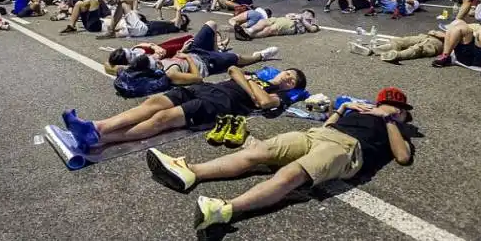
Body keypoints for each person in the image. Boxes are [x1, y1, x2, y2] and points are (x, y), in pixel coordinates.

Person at [145, 87, 413, 232]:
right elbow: (330, 127)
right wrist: (341, 110)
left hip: (345, 149)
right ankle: (190, 171)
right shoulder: (360, 109)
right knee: (256, 153)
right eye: (392, 108)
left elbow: (402, 156)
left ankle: (225, 210)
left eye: (397, 110)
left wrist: (389, 120)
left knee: (290, 175)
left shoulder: (395, 128)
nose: (395, 111)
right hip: (319, 133)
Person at [61, 66, 306, 149]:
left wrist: (252, 86)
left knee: (163, 118)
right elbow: (233, 70)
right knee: (153, 103)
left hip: (219, 104)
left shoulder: (278, 97)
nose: (288, 78)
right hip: (205, 89)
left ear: (292, 87)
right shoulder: (256, 77)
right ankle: (97, 126)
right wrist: (251, 83)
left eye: (293, 81)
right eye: (289, 73)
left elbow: (263, 103)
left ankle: (99, 138)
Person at [125, 20, 279, 82]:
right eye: (154, 60)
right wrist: (187, 57)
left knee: (211, 24)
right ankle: (260, 56)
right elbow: (197, 78)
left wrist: (183, 51)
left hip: (193, 52)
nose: (157, 58)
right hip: (205, 63)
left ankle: (218, 49)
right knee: (237, 58)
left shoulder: (158, 64)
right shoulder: (170, 74)